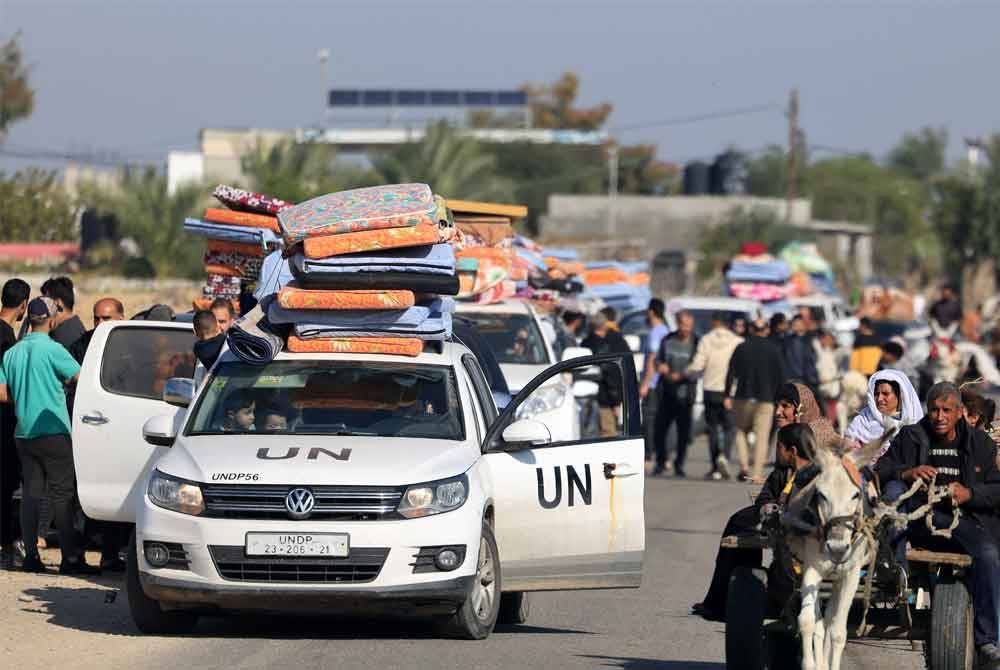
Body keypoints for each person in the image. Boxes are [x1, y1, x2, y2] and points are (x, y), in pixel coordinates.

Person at [876, 383, 1000, 667]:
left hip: (965, 521)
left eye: (946, 410)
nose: (939, 416)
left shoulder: (980, 443)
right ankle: (897, 578)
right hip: (919, 519)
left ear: (960, 412)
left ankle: (987, 640)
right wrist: (907, 472)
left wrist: (970, 494)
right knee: (894, 493)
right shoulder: (911, 436)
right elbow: (880, 470)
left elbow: (997, 489)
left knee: (989, 556)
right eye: (934, 409)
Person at [693, 385, 835, 622]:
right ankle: (729, 597)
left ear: (801, 409)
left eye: (785, 406)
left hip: (817, 520)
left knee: (740, 521)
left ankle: (726, 600)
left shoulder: (819, 438)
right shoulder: (790, 438)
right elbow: (773, 485)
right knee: (740, 521)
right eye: (777, 405)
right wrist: (769, 505)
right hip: (782, 511)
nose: (778, 412)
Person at [0, 297, 99, 575]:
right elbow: (81, 378)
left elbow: (1, 392)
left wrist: (24, 395)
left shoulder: (13, 353)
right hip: (54, 432)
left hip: (24, 433)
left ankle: (31, 555)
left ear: (30, 318)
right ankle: (71, 559)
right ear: (52, 320)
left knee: (31, 495)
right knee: (62, 495)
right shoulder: (54, 350)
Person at [68, 298, 128, 572]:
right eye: (96, 319)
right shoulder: (82, 345)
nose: (100, 324)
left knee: (116, 494)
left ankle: (110, 553)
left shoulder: (131, 350)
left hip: (118, 433)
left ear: (121, 318)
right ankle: (76, 554)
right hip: (88, 432)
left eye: (106, 318)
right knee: (81, 496)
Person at [725, 319, 788, 481]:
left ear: (751, 329)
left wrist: (727, 395)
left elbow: (731, 373)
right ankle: (757, 474)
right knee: (762, 437)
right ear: (767, 330)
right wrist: (782, 399)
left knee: (740, 430)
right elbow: (782, 378)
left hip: (742, 397)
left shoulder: (741, 347)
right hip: (766, 400)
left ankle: (744, 466)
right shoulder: (774, 350)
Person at [686, 312, 743, 480]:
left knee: (712, 428)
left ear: (714, 322)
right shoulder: (737, 341)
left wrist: (687, 372)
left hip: (710, 389)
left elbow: (698, 364)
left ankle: (714, 466)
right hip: (730, 392)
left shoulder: (706, 340)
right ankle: (724, 455)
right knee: (730, 427)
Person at [0, 279, 29, 569]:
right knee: (7, 485)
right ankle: (8, 545)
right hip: (3, 423)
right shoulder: (7, 339)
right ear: (23, 305)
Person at [844, 369, 923, 466]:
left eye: (885, 394)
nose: (880, 399)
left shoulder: (913, 421)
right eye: (877, 394)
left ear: (899, 395)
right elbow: (849, 452)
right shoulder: (862, 420)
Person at [652, 311, 697, 477]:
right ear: (678, 324)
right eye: (683, 325)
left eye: (689, 326)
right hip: (666, 393)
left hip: (686, 395)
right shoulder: (668, 340)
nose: (686, 329)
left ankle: (679, 464)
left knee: (683, 433)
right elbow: (658, 360)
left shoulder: (696, 342)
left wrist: (685, 374)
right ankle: (660, 461)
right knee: (660, 430)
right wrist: (660, 366)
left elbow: (699, 365)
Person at [581, 313, 631, 437]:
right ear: (605, 324)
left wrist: (615, 401)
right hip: (611, 396)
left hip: (601, 398)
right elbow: (625, 366)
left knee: (607, 433)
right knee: (610, 433)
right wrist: (617, 400)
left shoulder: (588, 343)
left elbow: (610, 372)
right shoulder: (618, 340)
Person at [639, 299, 670, 462]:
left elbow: (652, 359)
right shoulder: (665, 330)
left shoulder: (655, 332)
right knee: (657, 417)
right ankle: (657, 451)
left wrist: (645, 383)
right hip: (661, 381)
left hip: (653, 382)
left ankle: (649, 452)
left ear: (651, 312)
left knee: (649, 418)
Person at [43, 277, 87, 351]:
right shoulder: (74, 326)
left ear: (57, 302)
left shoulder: (63, 335)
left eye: (45, 300)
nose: (42, 304)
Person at [784, 315, 819, 395]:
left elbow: (815, 358)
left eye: (799, 323)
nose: (797, 326)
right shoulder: (789, 341)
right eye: (795, 324)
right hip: (797, 380)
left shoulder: (811, 338)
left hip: (811, 380)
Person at [814, 330, 840, 422]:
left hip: (831, 385)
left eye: (831, 339)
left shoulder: (830, 352)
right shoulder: (817, 351)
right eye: (827, 339)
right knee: (823, 408)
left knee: (831, 406)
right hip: (822, 384)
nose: (829, 341)